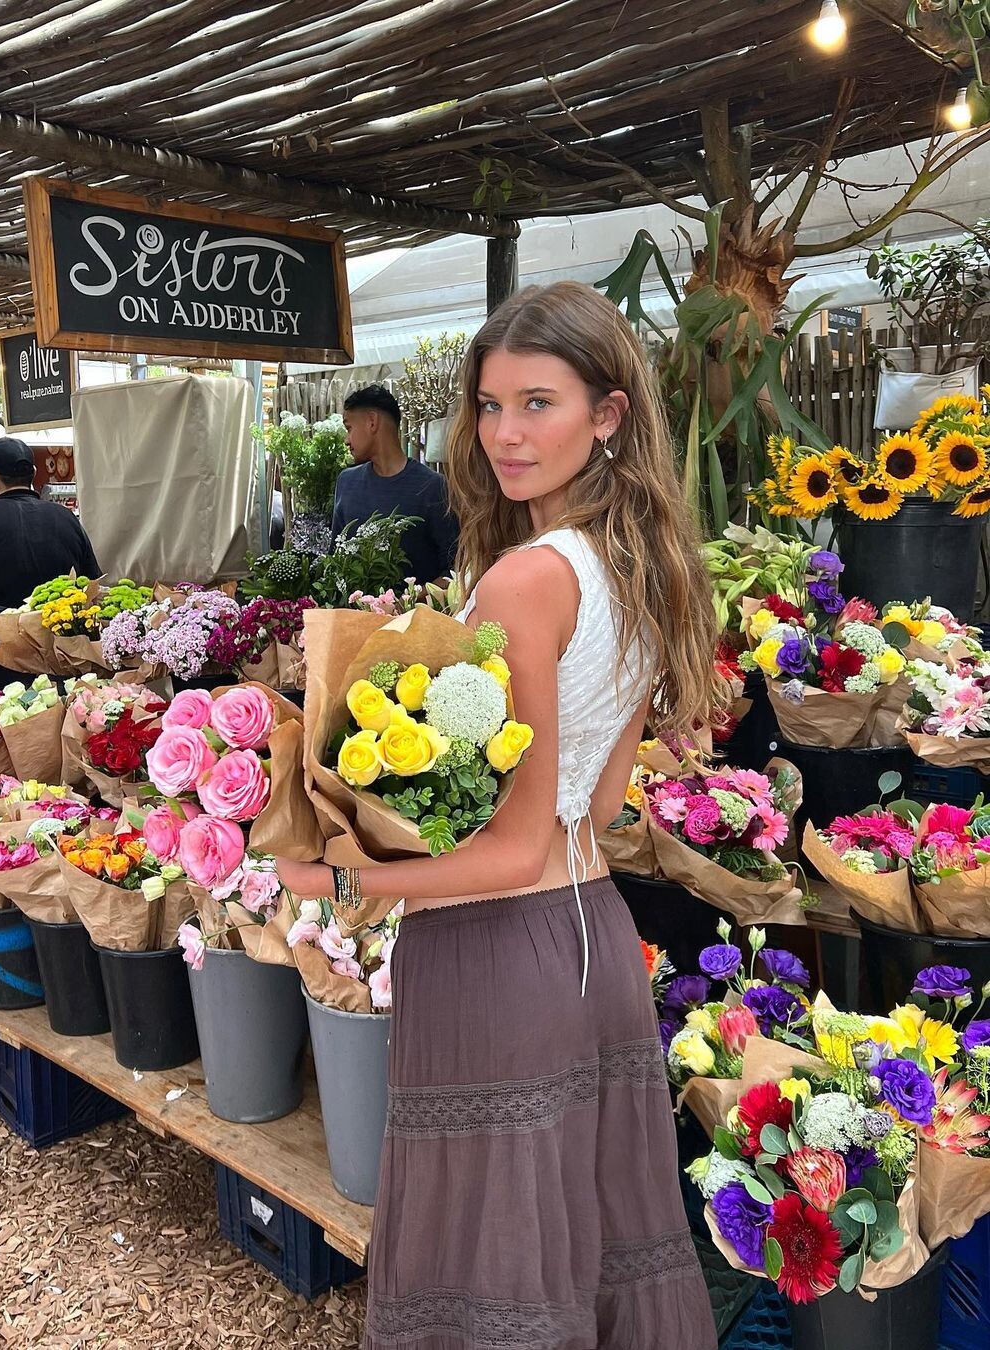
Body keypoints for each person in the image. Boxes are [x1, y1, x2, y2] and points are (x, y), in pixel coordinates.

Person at [278, 282, 719, 1350]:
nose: (505, 434)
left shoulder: (527, 579)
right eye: (489, 405)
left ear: (608, 416)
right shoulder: (641, 565)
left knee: (494, 1278)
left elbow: (513, 851)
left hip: (496, 959)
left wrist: (340, 877)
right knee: (591, 1255)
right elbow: (596, 807)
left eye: (537, 404)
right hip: (594, 946)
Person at [0, 437, 101, 698]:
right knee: (57, 709)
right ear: (33, 473)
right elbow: (91, 584)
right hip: (54, 645)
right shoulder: (65, 517)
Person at [333, 384, 457, 586]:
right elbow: (336, 560)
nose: (347, 440)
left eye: (349, 428)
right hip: (352, 606)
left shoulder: (432, 488)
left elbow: (454, 571)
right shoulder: (346, 482)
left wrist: (408, 600)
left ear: (372, 422)